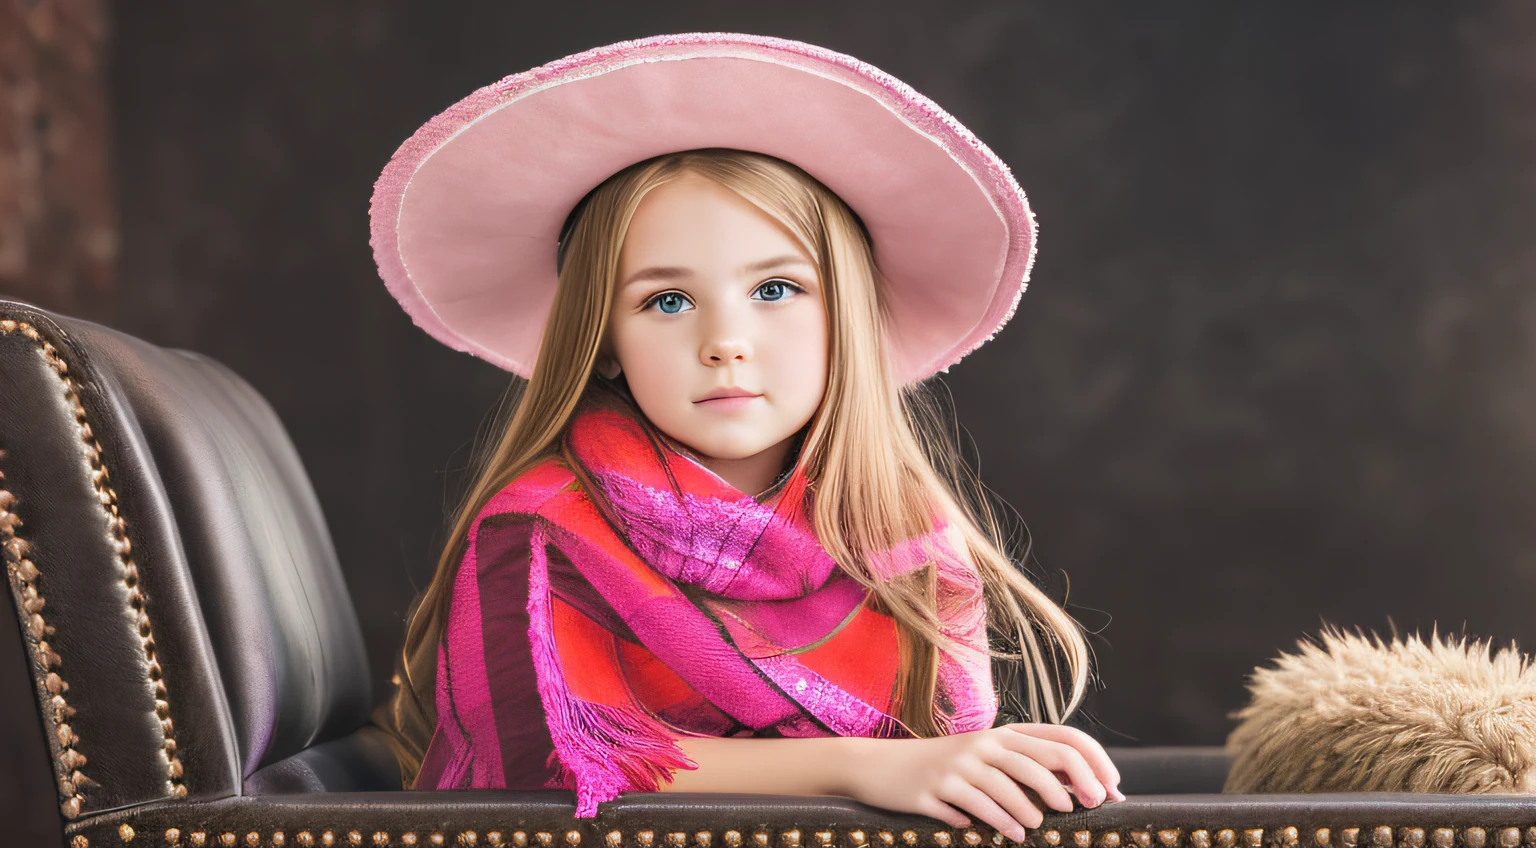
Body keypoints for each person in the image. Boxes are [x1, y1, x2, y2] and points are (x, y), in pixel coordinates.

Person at [367, 32, 1124, 837]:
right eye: (667, 301)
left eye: (775, 288)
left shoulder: (903, 531)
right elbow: (550, 763)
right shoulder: (539, 528)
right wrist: (862, 764)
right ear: (607, 345)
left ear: (848, 321)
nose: (725, 340)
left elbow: (946, 757)